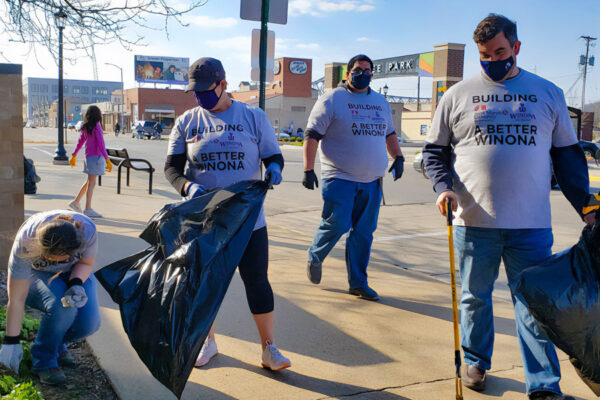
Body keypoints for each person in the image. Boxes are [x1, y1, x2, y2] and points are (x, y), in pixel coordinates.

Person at [423, 14, 592, 400]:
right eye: (484, 55)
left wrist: (586, 202)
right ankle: (476, 362)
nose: (491, 61)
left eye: (499, 52)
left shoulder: (547, 93)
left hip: (530, 224)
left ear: (516, 48)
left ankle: (544, 385)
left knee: (532, 302)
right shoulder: (457, 96)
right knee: (474, 298)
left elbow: (567, 156)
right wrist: (443, 187)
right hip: (472, 220)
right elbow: (435, 152)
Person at [164, 57, 290, 371]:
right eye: (195, 92)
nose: (200, 97)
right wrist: (187, 189)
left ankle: (269, 349)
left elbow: (273, 155)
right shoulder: (187, 121)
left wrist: (274, 168)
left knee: (257, 282)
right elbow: (171, 169)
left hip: (248, 221)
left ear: (223, 84)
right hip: (206, 220)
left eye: (206, 90)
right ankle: (208, 341)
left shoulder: (252, 117)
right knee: (204, 283)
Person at [302, 54, 404, 301]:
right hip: (340, 177)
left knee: (364, 233)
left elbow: (389, 133)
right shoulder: (332, 99)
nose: (364, 74)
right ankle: (315, 255)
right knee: (337, 223)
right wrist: (308, 169)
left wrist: (398, 157)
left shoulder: (380, 102)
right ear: (347, 74)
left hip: (372, 181)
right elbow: (312, 134)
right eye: (359, 69)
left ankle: (358, 283)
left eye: (369, 71)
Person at [0, 211, 101, 385]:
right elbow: (16, 298)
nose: (56, 262)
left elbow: (85, 263)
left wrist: (75, 284)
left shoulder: (87, 231)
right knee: (61, 307)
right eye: (50, 258)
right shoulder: (26, 241)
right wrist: (11, 341)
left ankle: (54, 345)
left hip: (74, 273)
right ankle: (44, 362)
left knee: (89, 322)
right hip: (37, 275)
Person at [68, 105, 113, 219]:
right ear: (98, 115)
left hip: (88, 157)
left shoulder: (86, 127)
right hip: (96, 158)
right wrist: (107, 159)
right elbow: (101, 144)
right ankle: (88, 208)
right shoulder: (97, 127)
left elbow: (80, 141)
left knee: (89, 182)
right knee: (91, 183)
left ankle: (76, 202)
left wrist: (74, 154)